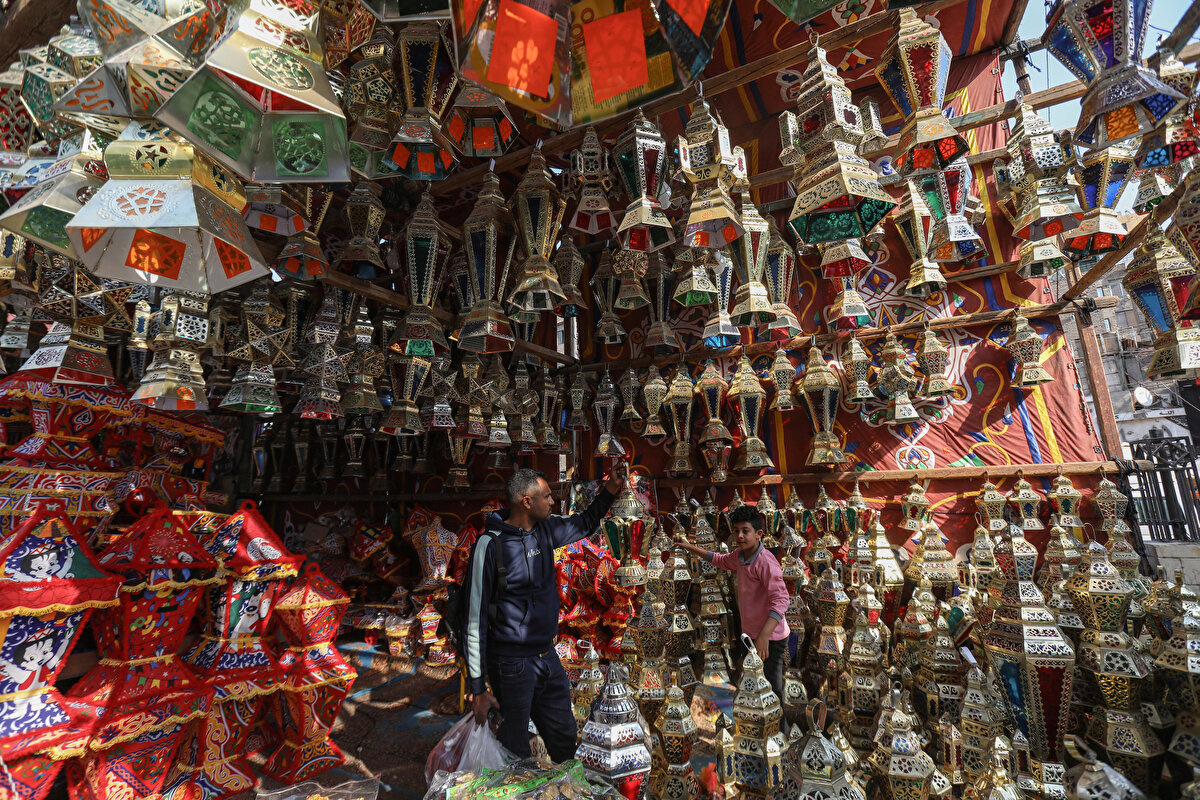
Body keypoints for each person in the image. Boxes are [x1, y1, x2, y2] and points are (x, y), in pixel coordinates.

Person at [462, 460, 627, 761]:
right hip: (511, 665)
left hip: (548, 658)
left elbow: (585, 521)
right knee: (516, 750)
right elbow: (473, 620)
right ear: (527, 502)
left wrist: (611, 490)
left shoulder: (545, 531)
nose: (553, 501)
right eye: (547, 496)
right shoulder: (489, 545)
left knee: (564, 739)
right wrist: (477, 686)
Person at [674, 504, 791, 703]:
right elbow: (719, 560)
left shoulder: (765, 561)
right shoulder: (739, 556)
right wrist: (689, 547)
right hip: (751, 637)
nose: (740, 536)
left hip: (770, 637)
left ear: (759, 534)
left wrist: (764, 636)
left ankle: (779, 732)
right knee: (752, 689)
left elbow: (781, 600)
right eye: (736, 531)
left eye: (746, 531)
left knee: (771, 692)